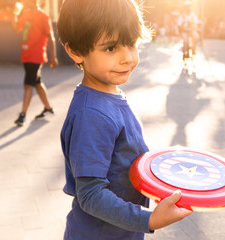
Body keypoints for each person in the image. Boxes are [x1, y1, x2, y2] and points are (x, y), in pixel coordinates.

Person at [56, 0, 192, 239]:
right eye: (110, 48)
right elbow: (90, 195)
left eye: (131, 43)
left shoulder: (108, 93)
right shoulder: (92, 114)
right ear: (75, 51)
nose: (127, 57)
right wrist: (148, 219)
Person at [12, 0, 58, 126]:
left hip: (36, 57)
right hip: (26, 56)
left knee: (28, 85)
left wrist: (53, 57)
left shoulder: (43, 17)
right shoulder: (25, 14)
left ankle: (23, 115)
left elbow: (51, 38)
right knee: (37, 82)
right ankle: (48, 109)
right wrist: (15, 15)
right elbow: (16, 29)